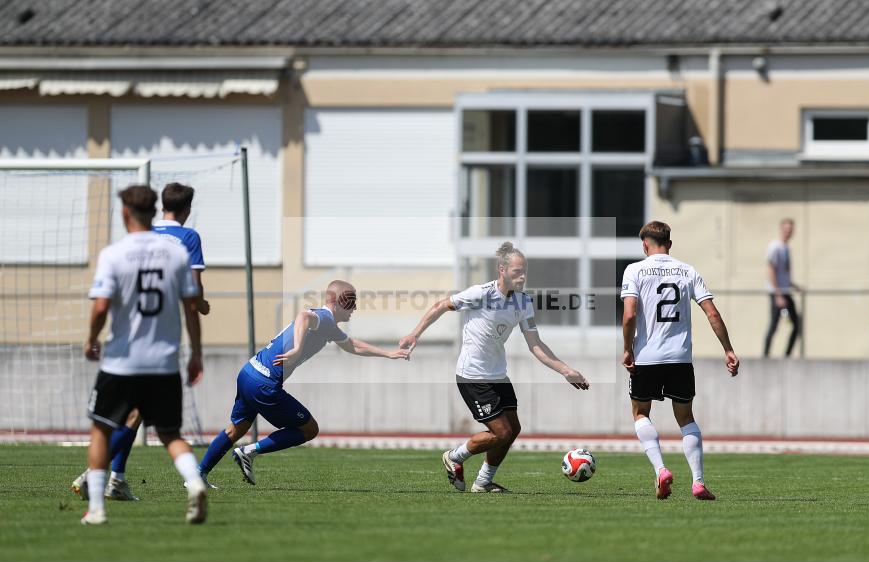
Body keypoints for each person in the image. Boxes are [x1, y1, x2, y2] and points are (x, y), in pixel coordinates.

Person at [399, 241, 589, 494]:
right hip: (472, 375)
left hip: (498, 375)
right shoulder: (481, 293)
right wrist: (414, 334)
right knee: (501, 431)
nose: (522, 277)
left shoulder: (523, 302)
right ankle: (455, 457)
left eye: (524, 271)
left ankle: (483, 482)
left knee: (513, 430)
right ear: (502, 270)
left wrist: (566, 370)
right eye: (516, 272)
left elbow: (535, 344)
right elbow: (441, 305)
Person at [196, 280, 410, 487]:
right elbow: (303, 317)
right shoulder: (324, 318)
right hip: (265, 383)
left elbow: (352, 345)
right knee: (309, 429)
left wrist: (389, 354)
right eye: (350, 301)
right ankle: (249, 451)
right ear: (335, 302)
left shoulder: (330, 327)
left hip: (248, 373)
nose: (354, 307)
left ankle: (197, 476)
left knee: (237, 429)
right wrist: (298, 347)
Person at [71, 182, 209, 502]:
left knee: (131, 416)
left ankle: (112, 480)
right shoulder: (186, 240)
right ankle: (100, 474)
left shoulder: (132, 240)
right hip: (160, 344)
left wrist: (92, 338)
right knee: (151, 424)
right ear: (187, 210)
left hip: (125, 342)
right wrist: (201, 307)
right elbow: (194, 294)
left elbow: (105, 301)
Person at [621, 221, 739, 501]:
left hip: (647, 358)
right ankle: (698, 482)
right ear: (669, 244)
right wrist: (728, 349)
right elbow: (712, 313)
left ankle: (661, 470)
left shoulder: (635, 270)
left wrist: (628, 349)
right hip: (680, 359)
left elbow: (629, 315)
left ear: (644, 245)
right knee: (686, 419)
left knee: (640, 414)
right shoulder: (688, 270)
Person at [763, 218, 802, 357]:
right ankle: (765, 356)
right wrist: (778, 294)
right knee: (774, 325)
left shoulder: (786, 248)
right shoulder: (775, 247)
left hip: (785, 291)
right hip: (778, 293)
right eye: (786, 230)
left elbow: (783, 272)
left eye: (790, 230)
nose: (788, 232)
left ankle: (787, 355)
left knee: (797, 325)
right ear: (781, 230)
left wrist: (793, 285)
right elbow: (771, 270)